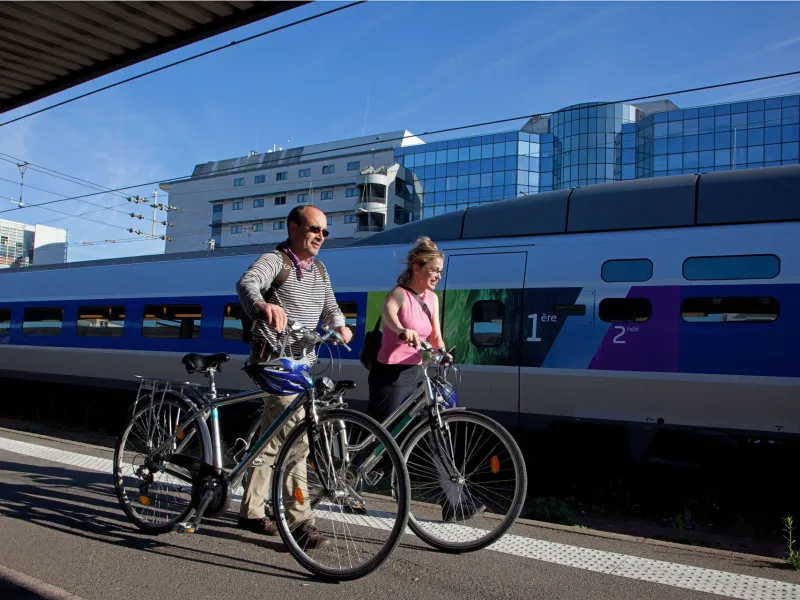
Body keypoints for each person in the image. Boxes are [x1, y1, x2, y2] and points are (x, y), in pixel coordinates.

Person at [236, 205, 352, 548]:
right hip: (274, 362)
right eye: (314, 228)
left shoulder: (319, 269)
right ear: (292, 228)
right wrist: (262, 306)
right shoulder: (277, 260)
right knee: (298, 439)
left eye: (324, 231)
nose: (320, 236)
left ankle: (252, 509)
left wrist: (339, 324)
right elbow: (247, 283)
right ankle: (300, 521)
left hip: (303, 366)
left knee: (273, 439)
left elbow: (329, 306)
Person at [367, 236, 484, 523]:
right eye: (434, 271)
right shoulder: (399, 294)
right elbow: (389, 316)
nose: (438, 276)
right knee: (380, 434)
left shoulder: (432, 299)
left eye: (440, 272)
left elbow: (435, 336)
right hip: (390, 374)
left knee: (437, 433)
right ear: (417, 267)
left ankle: (455, 502)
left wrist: (443, 352)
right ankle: (351, 474)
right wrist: (401, 330)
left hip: (417, 373)